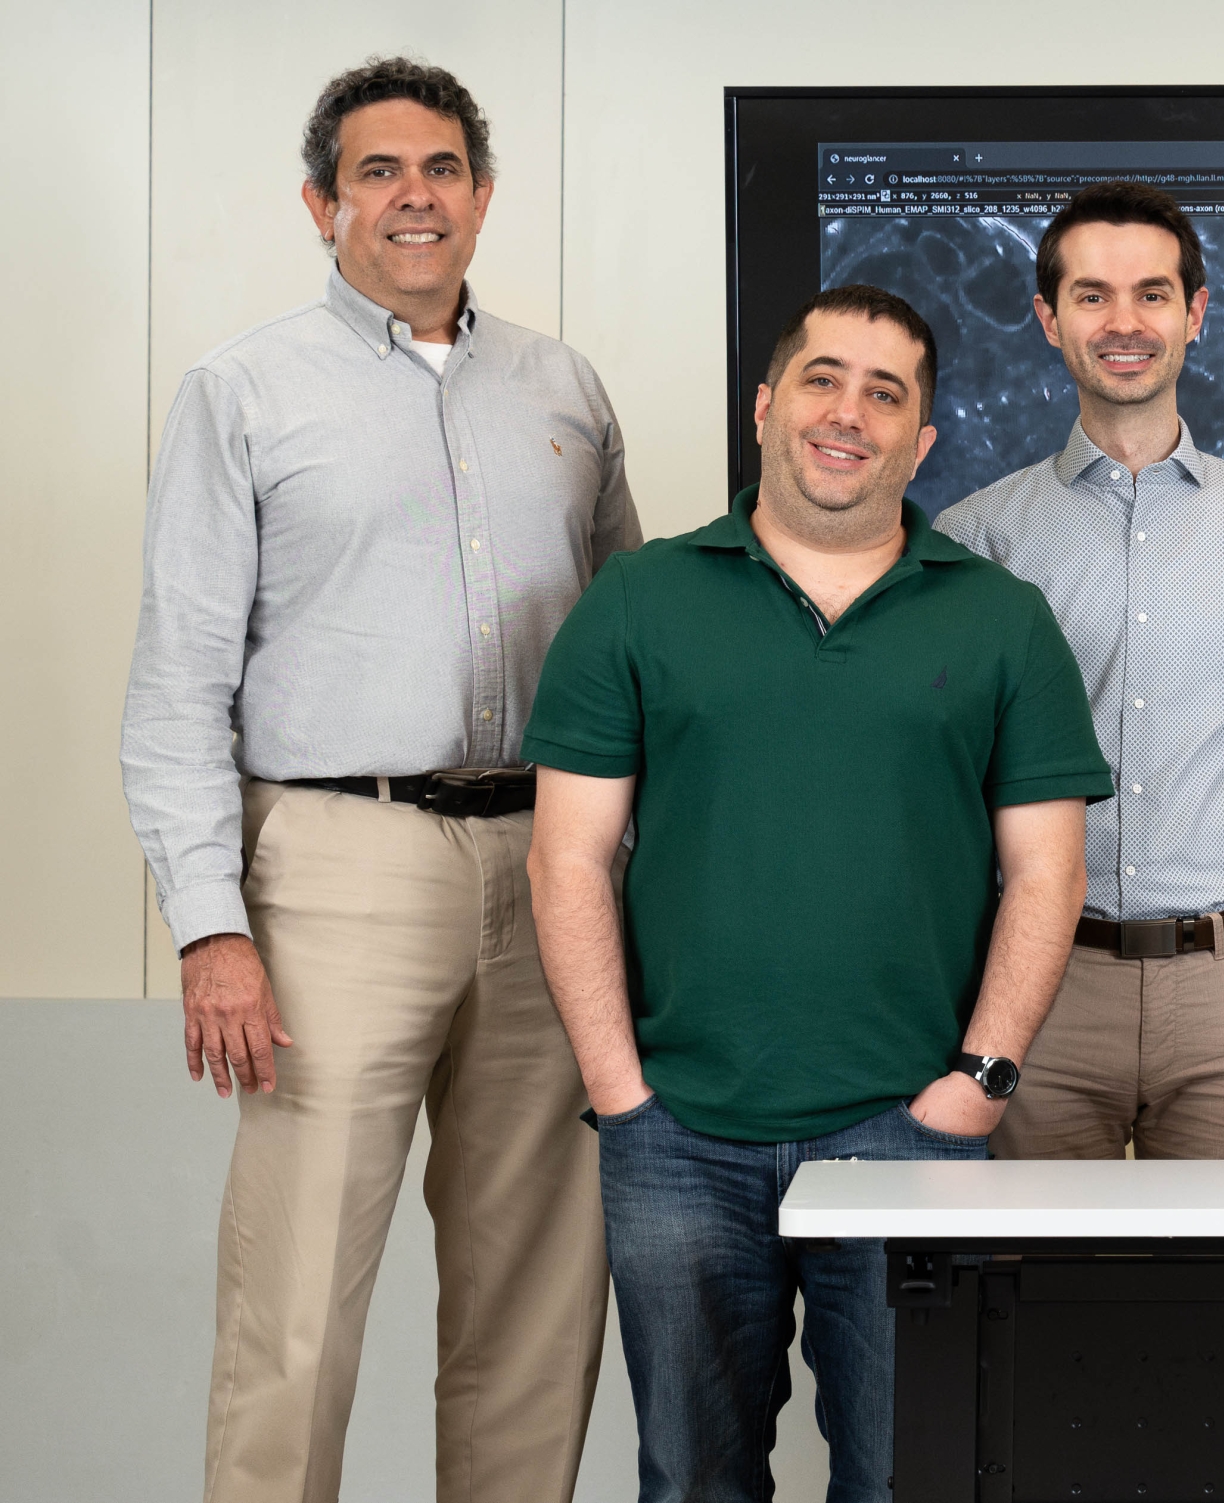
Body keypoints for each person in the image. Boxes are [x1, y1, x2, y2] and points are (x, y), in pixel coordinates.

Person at [119, 58, 638, 1503]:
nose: (415, 197)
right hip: (336, 863)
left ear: (482, 196)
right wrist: (210, 922)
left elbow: (627, 654)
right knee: (296, 1303)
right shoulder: (242, 392)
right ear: (321, 202)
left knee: (538, 1295)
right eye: (378, 173)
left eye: (441, 170)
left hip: (548, 866)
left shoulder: (565, 387)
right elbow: (175, 683)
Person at [525, 283, 1110, 1501]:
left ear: (923, 440)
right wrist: (619, 1093)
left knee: (915, 1479)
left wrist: (982, 1081)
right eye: (823, 380)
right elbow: (568, 857)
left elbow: (1047, 870)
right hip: (676, 1135)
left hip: (910, 1129)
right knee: (692, 1483)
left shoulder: (1003, 622)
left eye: (885, 394)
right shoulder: (639, 600)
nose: (849, 413)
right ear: (766, 406)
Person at [937, 181, 1224, 1161]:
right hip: (1043, 987)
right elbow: (949, 783)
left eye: (1152, 293)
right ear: (1048, 319)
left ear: (1196, 313)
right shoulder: (977, 538)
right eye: (1091, 295)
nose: (1123, 322)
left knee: (1218, 1309)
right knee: (1040, 1300)